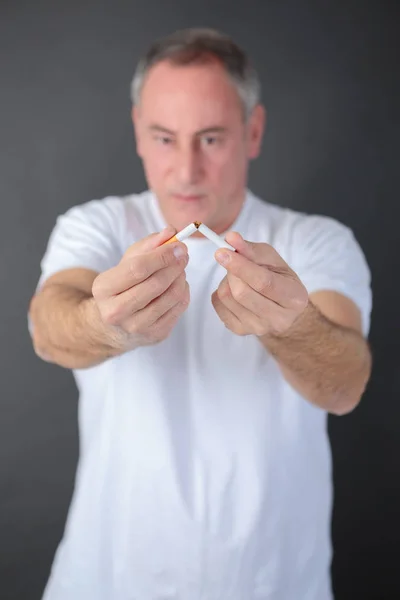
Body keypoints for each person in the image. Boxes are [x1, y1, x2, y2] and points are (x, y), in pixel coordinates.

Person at [28, 27, 372, 600]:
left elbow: (345, 385)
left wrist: (290, 325)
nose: (186, 171)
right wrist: (106, 324)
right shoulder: (95, 228)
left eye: (210, 139)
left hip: (273, 584)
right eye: (164, 138)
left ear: (253, 131)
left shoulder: (316, 244)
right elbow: (49, 329)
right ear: (138, 130)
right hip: (106, 580)